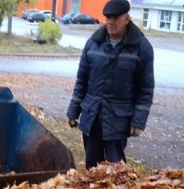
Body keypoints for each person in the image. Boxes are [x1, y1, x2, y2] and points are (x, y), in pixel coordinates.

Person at [66, 0, 155, 169]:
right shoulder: (93, 44)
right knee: (92, 170)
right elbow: (82, 81)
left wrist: (138, 122)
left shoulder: (141, 48)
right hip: (92, 117)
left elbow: (145, 88)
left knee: (116, 170)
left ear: (127, 19)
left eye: (115, 18)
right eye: (107, 18)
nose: (110, 22)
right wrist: (73, 111)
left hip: (118, 121)